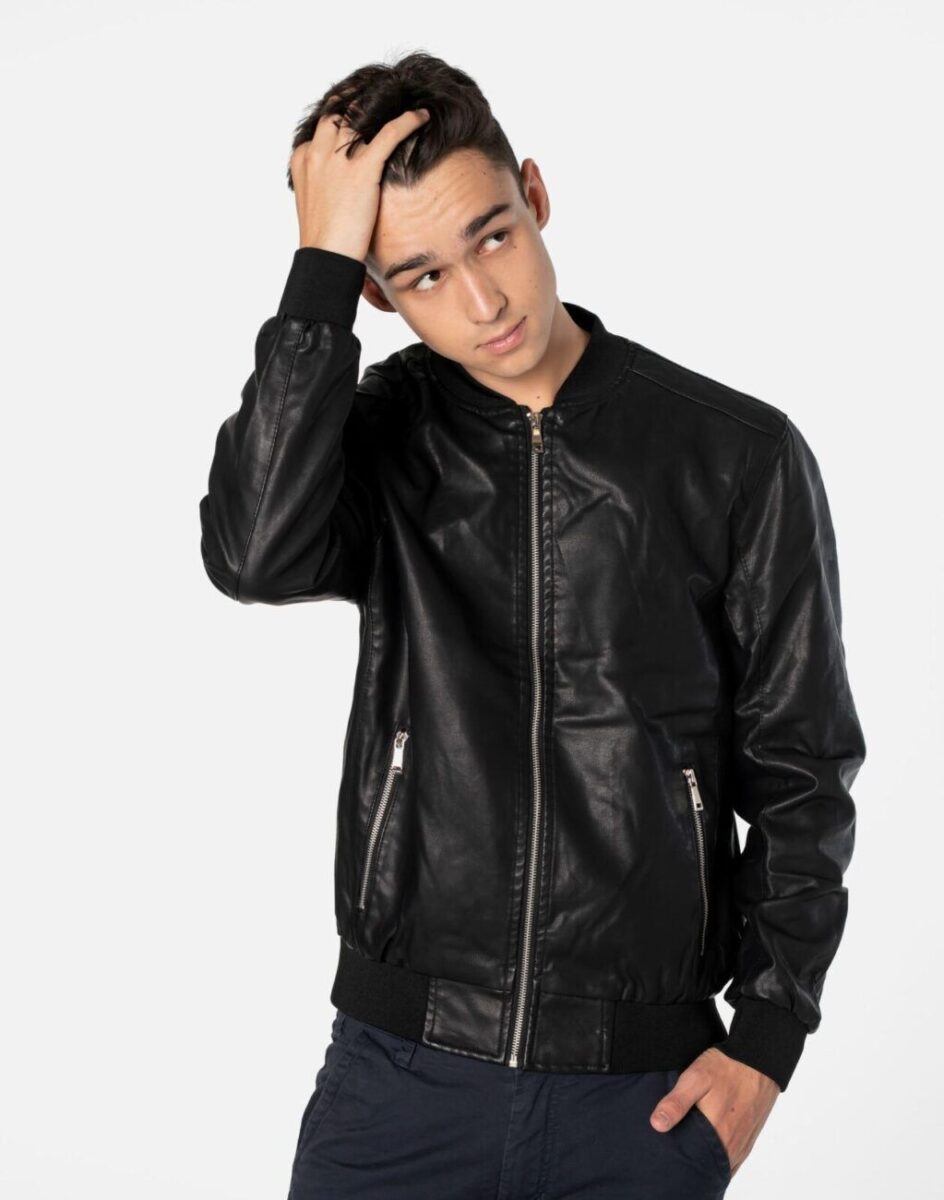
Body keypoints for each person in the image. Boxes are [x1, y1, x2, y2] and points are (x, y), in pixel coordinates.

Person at [198, 51, 866, 1200]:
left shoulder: (732, 454)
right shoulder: (377, 438)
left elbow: (801, 772)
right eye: (419, 274)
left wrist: (765, 1040)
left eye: (493, 237)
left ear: (536, 194)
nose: (482, 302)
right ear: (379, 295)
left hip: (638, 1095)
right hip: (397, 1082)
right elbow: (252, 551)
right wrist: (318, 269)